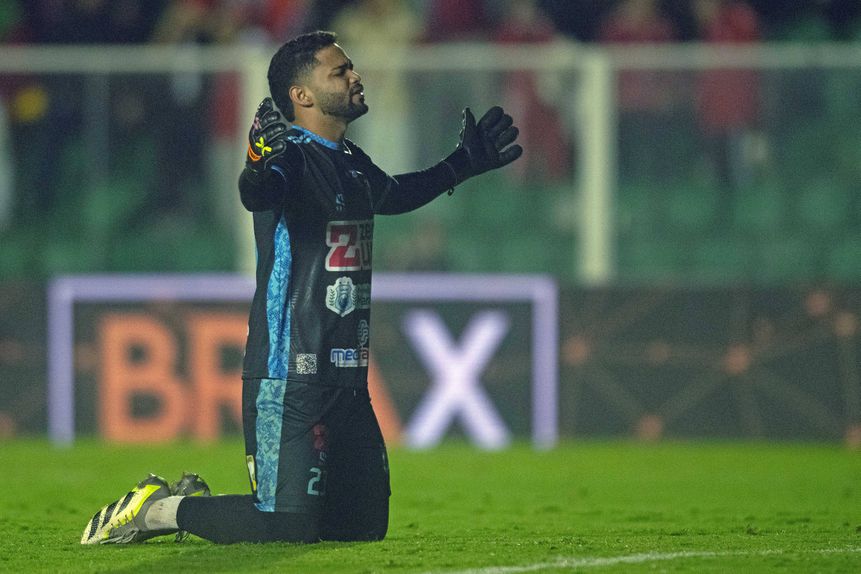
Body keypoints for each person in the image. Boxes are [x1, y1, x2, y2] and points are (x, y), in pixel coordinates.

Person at [80, 30, 521, 545]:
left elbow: (396, 195)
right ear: (302, 95)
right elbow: (259, 191)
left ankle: (196, 509)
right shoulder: (288, 154)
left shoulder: (350, 160)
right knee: (286, 526)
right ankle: (156, 510)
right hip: (290, 373)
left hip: (347, 378)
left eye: (350, 67)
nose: (355, 76)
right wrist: (255, 164)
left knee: (361, 529)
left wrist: (463, 163)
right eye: (340, 71)